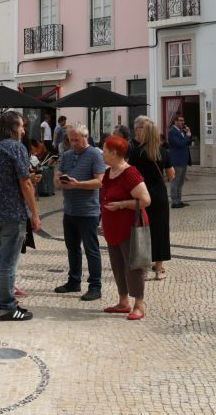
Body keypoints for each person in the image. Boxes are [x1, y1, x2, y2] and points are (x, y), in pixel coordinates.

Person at [0, 111, 41, 321]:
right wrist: (34, 214)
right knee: (8, 261)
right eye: (22, 126)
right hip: (14, 213)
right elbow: (25, 183)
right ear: (13, 128)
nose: (24, 131)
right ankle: (7, 306)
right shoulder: (16, 148)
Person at [100, 135, 152, 320]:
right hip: (113, 226)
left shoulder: (130, 173)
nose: (102, 154)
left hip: (130, 226)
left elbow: (145, 200)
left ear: (115, 153)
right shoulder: (109, 173)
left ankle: (139, 304)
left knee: (134, 266)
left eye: (105, 151)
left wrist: (121, 204)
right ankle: (123, 302)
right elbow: (105, 196)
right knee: (117, 265)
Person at [53, 123, 106, 301]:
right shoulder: (67, 155)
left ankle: (95, 286)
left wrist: (78, 185)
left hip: (88, 211)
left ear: (86, 137)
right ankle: (74, 281)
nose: (73, 143)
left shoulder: (95, 155)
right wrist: (60, 181)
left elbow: (100, 182)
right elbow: (57, 176)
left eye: (77, 139)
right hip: (70, 210)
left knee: (91, 249)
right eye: (71, 139)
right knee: (72, 248)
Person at [130, 119, 174, 281]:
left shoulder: (136, 152)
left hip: (142, 193)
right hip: (159, 194)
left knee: (143, 229)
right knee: (160, 229)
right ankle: (159, 267)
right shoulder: (163, 151)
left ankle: (143, 267)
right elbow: (171, 175)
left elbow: (130, 173)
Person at [167, 114, 191, 209]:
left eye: (183, 121)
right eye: (180, 121)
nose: (182, 122)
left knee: (181, 182)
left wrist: (188, 133)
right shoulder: (172, 132)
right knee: (175, 181)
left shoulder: (181, 131)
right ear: (175, 121)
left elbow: (188, 142)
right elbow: (180, 144)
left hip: (183, 160)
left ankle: (179, 200)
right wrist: (187, 136)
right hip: (176, 161)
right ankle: (174, 202)